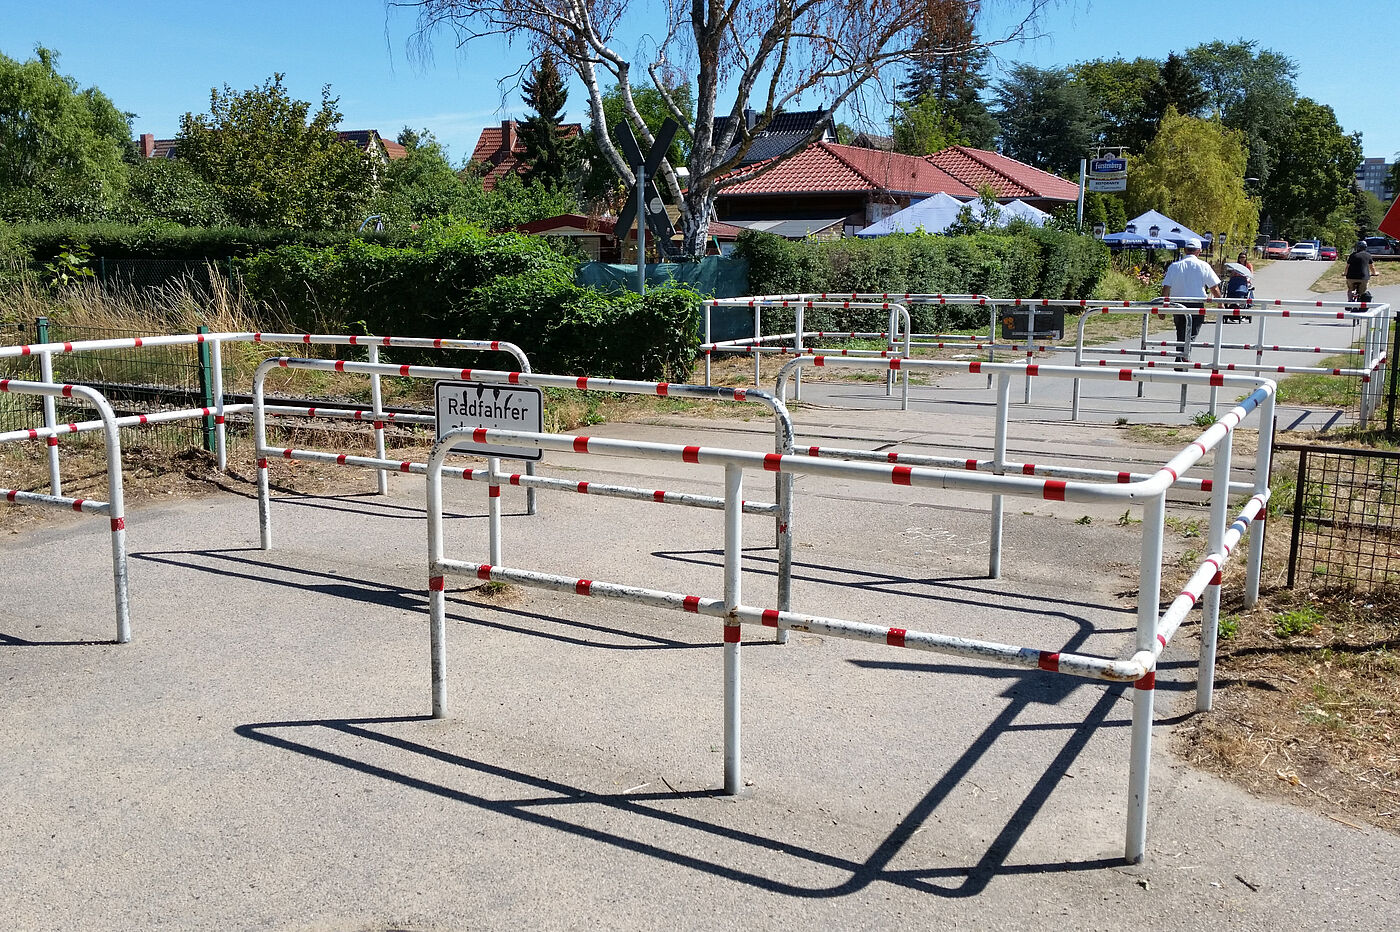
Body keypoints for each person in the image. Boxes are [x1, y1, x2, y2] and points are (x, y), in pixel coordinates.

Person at [1161, 237, 1221, 361]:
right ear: (1199, 251)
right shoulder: (1203, 265)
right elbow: (1214, 288)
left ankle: (1180, 355)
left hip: (1177, 304)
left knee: (1181, 330)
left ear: (1185, 249)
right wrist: (1220, 303)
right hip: (1196, 304)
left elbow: (1166, 288)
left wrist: (1164, 307)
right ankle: (1185, 355)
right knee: (1192, 331)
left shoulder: (1174, 266)